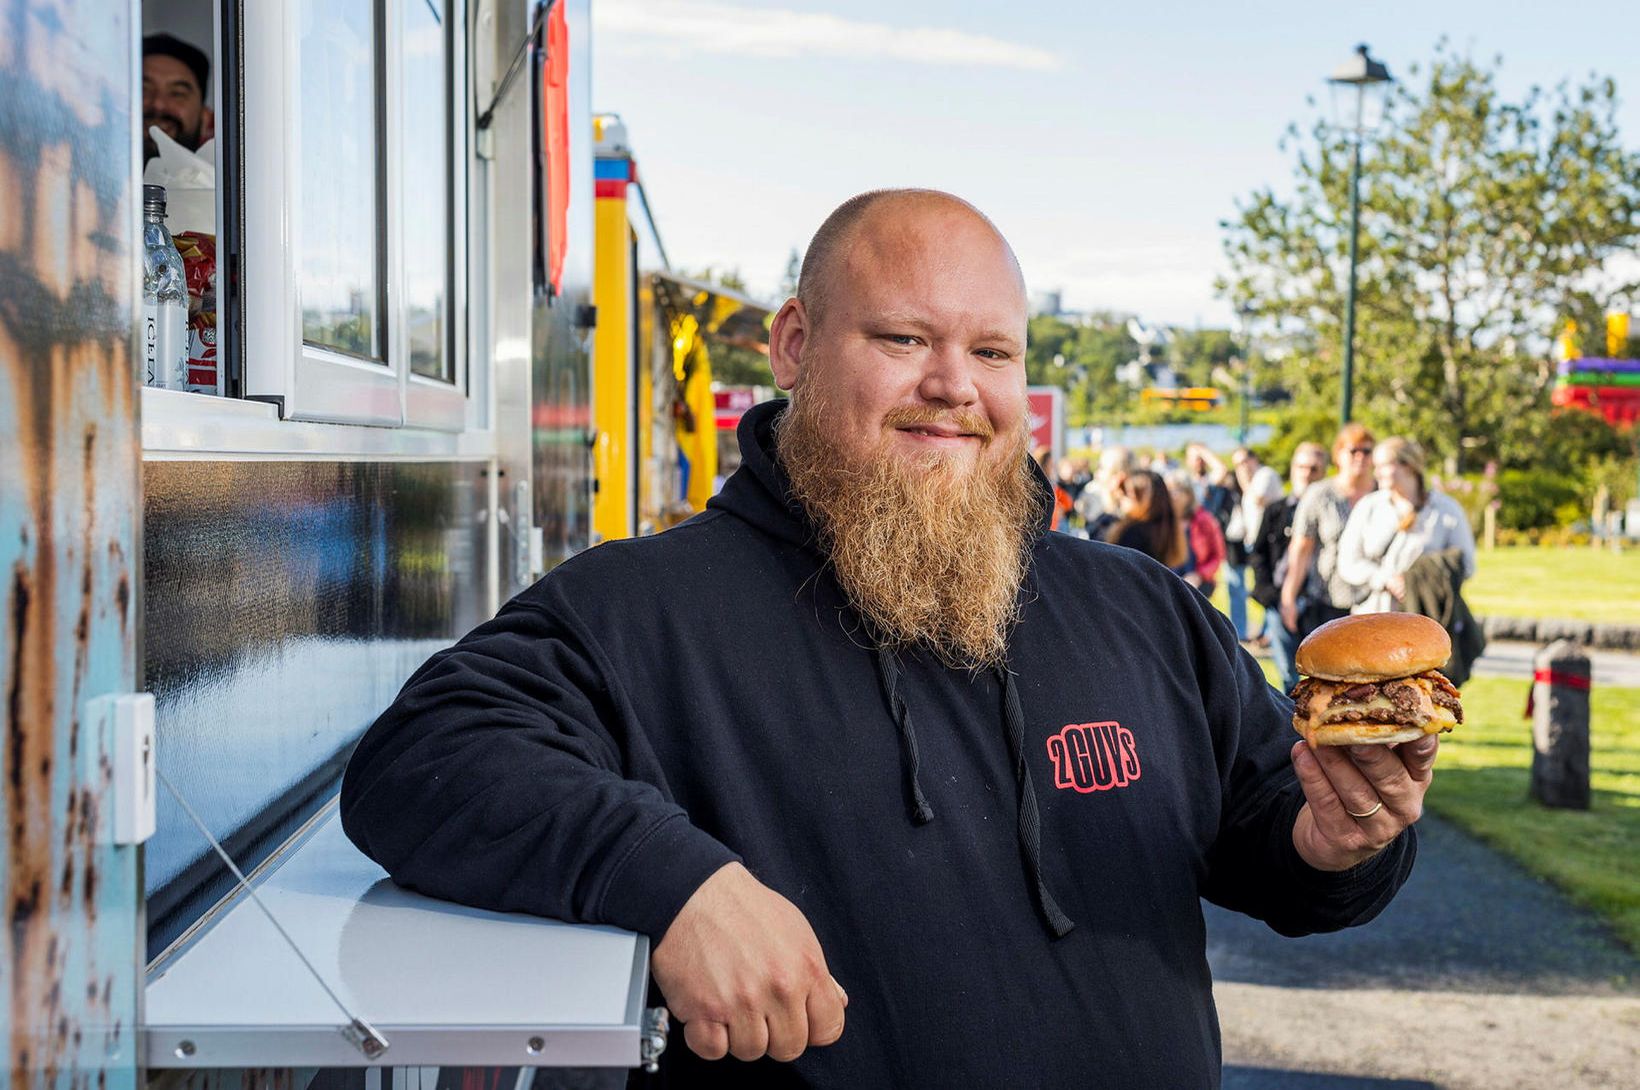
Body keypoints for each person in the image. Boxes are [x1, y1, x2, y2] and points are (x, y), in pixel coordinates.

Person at [340, 190, 1431, 1088]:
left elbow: (1271, 839)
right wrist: (669, 882)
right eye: (903, 338)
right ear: (793, 345)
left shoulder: (1140, 607)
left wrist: (1336, 840)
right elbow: (421, 756)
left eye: (990, 351)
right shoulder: (645, 608)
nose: (953, 386)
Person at [1336, 438, 1476, 615]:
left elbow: (1467, 565)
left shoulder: (1446, 510)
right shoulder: (1369, 507)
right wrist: (1386, 579)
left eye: (1383, 466)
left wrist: (1416, 579)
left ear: (1408, 465)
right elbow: (1348, 562)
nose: (1376, 473)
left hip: (1424, 616)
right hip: (1373, 615)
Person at [1279, 423, 1377, 642]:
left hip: (1373, 600)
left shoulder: (1382, 494)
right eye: (1353, 451)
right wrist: (1289, 597)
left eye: (1367, 451)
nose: (1360, 457)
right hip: (1327, 598)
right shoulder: (1320, 495)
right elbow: (1301, 549)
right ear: (1339, 454)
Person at [1250, 443, 1328, 692]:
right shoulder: (1276, 510)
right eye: (1301, 467)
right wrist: (1270, 595)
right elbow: (1259, 553)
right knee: (1288, 673)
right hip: (1279, 598)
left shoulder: (1330, 512)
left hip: (1318, 600)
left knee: (1322, 671)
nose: (1306, 473)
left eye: (1314, 468)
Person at [142, 34, 213, 165]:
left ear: (205, 119)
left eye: (177, 93)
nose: (158, 104)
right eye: (143, 89)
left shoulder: (224, 184)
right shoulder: (92, 182)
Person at [1103, 469, 1187, 571]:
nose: (1123, 494)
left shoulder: (1133, 533)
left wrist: (1110, 499)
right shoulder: (1165, 528)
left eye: (1135, 491)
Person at [1166, 469, 1226, 597]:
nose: (1170, 495)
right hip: (1167, 583)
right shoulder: (1162, 521)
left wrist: (1199, 575)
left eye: (1175, 490)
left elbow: (1218, 555)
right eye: (1168, 490)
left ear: (1188, 494)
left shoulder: (1204, 519)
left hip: (1197, 585)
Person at [1076, 444, 1132, 540]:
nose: (1097, 474)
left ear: (1118, 477)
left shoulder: (1124, 526)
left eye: (1101, 468)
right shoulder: (1105, 520)